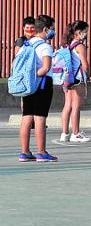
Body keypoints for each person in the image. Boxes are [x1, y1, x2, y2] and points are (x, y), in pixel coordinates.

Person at [16, 16, 57, 162]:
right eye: (52, 28)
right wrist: (34, 76)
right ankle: (41, 152)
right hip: (42, 84)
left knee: (27, 116)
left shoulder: (26, 44)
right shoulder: (45, 46)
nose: (53, 31)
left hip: (27, 86)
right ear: (45, 29)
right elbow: (46, 67)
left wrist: (28, 79)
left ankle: (25, 152)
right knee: (40, 117)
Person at [57, 21, 91, 144]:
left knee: (67, 105)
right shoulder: (80, 46)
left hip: (67, 78)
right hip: (78, 78)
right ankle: (76, 133)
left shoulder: (67, 45)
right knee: (76, 106)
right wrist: (89, 74)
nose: (86, 34)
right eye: (85, 31)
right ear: (78, 32)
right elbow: (85, 64)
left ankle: (64, 133)